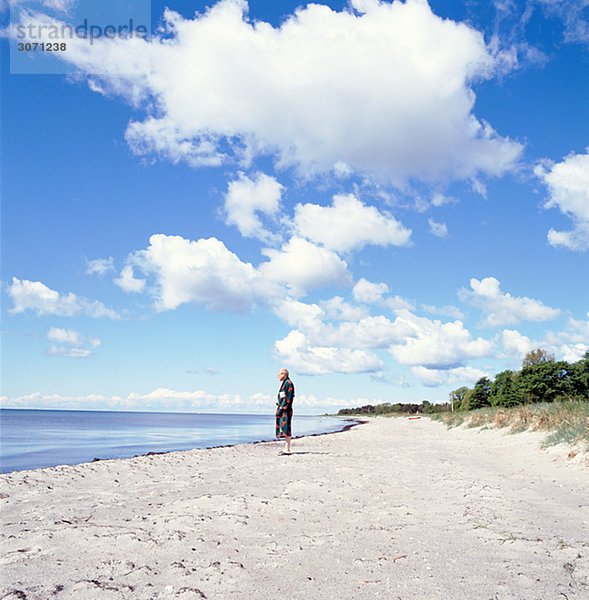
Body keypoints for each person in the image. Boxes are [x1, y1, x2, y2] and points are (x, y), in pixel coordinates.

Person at [276, 368, 294, 455]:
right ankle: (286, 448)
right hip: (283, 408)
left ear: (284, 374)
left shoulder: (288, 383)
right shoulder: (285, 383)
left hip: (286, 410)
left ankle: (287, 449)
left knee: (286, 428)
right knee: (284, 428)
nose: (278, 376)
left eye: (279, 374)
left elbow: (288, 398)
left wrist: (282, 408)